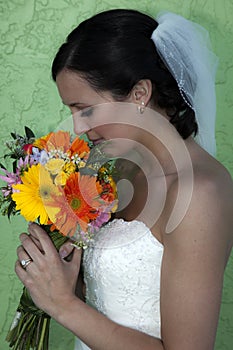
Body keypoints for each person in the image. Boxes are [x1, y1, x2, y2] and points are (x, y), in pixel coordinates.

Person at [15, 9, 233, 350]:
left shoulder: (199, 193)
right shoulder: (120, 170)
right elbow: (112, 296)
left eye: (85, 109)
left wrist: (63, 304)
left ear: (139, 95)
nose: (78, 128)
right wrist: (59, 277)